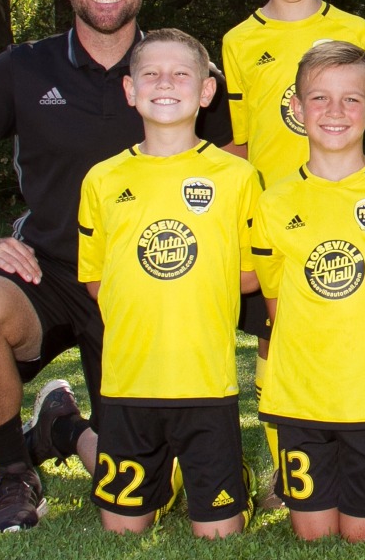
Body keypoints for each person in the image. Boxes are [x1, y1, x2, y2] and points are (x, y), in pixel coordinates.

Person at [0, 0, 232, 532]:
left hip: (146, 289)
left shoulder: (183, 72)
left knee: (154, 492)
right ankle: (14, 472)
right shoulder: (23, 69)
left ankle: (61, 428)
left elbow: (231, 174)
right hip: (49, 272)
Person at [220, 0, 365, 504]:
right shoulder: (238, 40)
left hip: (344, 211)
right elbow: (240, 142)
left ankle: (364, 455)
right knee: (276, 336)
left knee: (349, 330)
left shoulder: (355, 31)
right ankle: (290, 470)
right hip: (275, 216)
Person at [76, 29, 259, 537]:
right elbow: (96, 280)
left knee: (219, 535)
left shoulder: (236, 176)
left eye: (181, 74)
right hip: (128, 383)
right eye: (151, 73)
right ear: (130, 90)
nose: (165, 83)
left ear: (206, 91)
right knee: (122, 531)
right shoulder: (103, 180)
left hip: (205, 381)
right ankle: (164, 475)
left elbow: (250, 274)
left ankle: (231, 477)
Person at [251, 41, 365, 542]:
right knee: (313, 536)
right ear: (297, 108)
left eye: (351, 99)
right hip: (302, 394)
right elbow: (277, 298)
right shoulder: (275, 201)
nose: (335, 112)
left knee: (362, 537)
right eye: (320, 98)